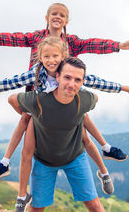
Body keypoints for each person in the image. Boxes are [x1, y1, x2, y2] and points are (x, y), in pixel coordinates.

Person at [0, 37, 129, 211]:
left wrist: (126, 88)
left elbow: (98, 83)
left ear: (63, 57)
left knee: (83, 125)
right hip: (42, 114)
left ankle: (106, 151)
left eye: (56, 57)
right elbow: (8, 83)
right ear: (40, 58)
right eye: (47, 57)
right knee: (26, 126)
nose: (52, 61)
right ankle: (5, 162)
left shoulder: (73, 76)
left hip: (71, 115)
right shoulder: (36, 74)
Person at [0, 4, 129, 178]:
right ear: (47, 18)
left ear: (66, 21)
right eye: (54, 13)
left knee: (82, 119)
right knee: (26, 120)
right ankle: (4, 163)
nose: (57, 17)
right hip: (40, 89)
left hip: (66, 90)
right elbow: (12, 40)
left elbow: (94, 46)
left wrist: (119, 47)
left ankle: (106, 151)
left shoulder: (72, 43)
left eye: (62, 15)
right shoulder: (36, 41)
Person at [20, 57, 107, 211]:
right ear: (57, 77)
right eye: (67, 77)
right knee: (37, 208)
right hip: (43, 161)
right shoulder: (39, 100)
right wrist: (33, 117)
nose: (71, 84)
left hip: (75, 157)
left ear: (82, 82)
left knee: (94, 205)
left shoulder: (85, 99)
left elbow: (96, 99)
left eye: (77, 80)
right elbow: (13, 99)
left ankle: (105, 174)